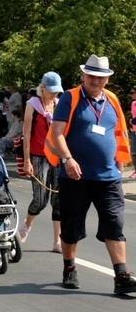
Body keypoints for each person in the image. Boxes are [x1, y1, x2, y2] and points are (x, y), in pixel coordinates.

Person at [48, 54, 136, 294]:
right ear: (83, 76)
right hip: (74, 176)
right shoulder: (70, 97)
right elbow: (57, 132)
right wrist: (67, 159)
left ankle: (121, 275)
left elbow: (119, 132)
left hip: (108, 177)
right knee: (71, 227)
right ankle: (69, 269)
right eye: (92, 76)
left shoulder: (112, 100)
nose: (96, 80)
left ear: (107, 79)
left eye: (101, 77)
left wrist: (120, 162)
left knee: (114, 224)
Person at [19, 72, 63, 253]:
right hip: (38, 155)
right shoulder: (32, 106)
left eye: (57, 92)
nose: (54, 95)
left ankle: (57, 241)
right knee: (40, 199)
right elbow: (26, 135)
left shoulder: (58, 104)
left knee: (58, 199)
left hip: (56, 156)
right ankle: (27, 224)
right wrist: (27, 160)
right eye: (51, 91)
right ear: (42, 88)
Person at [130, 86, 136, 178]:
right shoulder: (133, 103)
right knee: (133, 152)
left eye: (132, 92)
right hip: (134, 130)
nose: (131, 94)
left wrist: (133, 121)